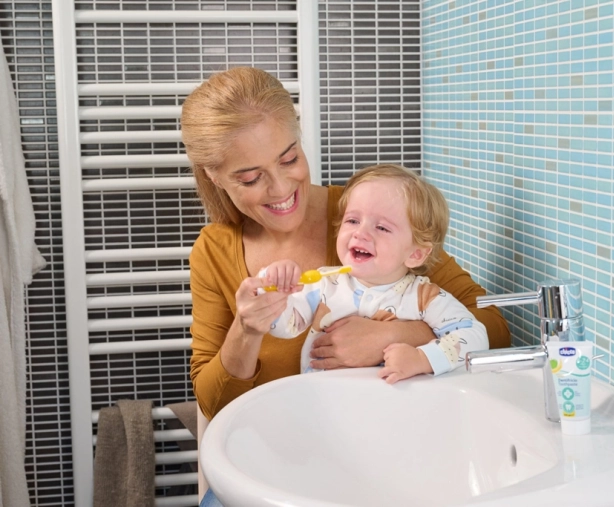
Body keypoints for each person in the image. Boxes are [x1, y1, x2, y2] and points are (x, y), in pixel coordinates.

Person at [181, 66, 511, 423]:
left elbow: (494, 329)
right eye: (250, 178)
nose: (280, 188)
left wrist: (392, 337)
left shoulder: (368, 214)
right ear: (214, 176)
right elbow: (215, 402)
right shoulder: (214, 252)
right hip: (279, 442)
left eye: (289, 159)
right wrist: (248, 330)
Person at [260, 164, 488, 383]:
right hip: (325, 403)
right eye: (352, 220)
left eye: (381, 227)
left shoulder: (425, 299)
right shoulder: (324, 284)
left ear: (416, 254)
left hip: (393, 405)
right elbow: (284, 327)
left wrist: (422, 359)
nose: (360, 233)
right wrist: (272, 288)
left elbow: (476, 337)